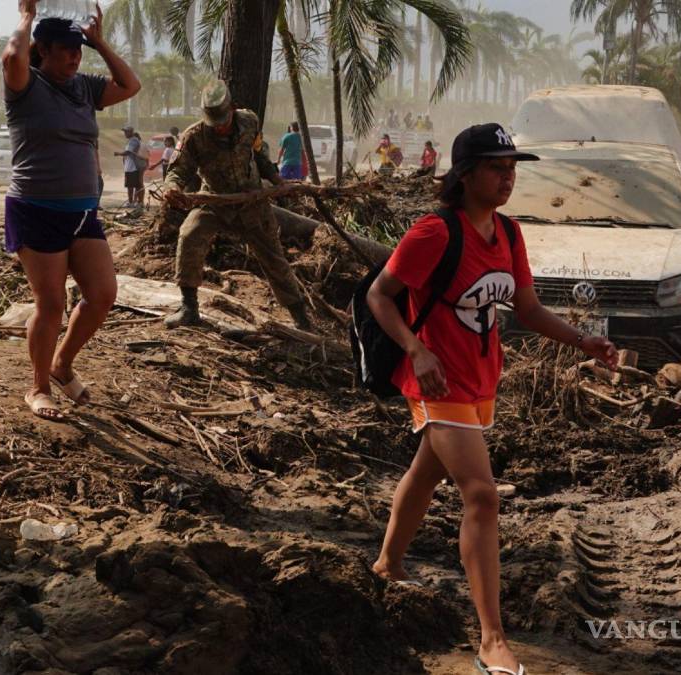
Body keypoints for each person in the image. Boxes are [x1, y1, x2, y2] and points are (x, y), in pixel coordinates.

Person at [367, 122, 617, 675]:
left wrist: (584, 341)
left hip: (482, 380)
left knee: (427, 471)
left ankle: (387, 564)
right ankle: (491, 640)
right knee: (481, 495)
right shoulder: (434, 233)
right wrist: (416, 350)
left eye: (512, 169)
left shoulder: (508, 233)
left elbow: (527, 310)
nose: (508, 178)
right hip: (436, 382)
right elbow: (379, 295)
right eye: (496, 168)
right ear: (465, 175)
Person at [2, 1, 140, 420]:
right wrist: (26, 17)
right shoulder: (26, 86)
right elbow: (12, 56)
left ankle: (62, 365)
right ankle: (38, 387)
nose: (74, 57)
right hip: (36, 208)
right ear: (43, 50)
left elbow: (130, 85)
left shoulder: (84, 87)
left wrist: (99, 43)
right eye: (66, 49)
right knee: (51, 304)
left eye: (78, 50)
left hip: (82, 212)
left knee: (102, 295)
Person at [161, 79, 311, 331]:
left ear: (232, 108)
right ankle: (189, 307)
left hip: (252, 203)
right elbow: (177, 171)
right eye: (214, 123)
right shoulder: (194, 137)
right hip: (214, 201)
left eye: (223, 121)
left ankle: (300, 317)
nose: (219, 127)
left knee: (274, 258)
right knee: (189, 235)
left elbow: (260, 156)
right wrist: (172, 187)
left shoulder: (249, 122)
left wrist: (278, 182)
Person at [115, 125, 145, 207]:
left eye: (126, 132)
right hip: (130, 167)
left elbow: (128, 152)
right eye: (124, 132)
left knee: (135, 185)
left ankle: (136, 202)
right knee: (131, 185)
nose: (125, 133)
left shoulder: (133, 141)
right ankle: (133, 202)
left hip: (133, 167)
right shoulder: (131, 140)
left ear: (131, 132)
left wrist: (118, 153)